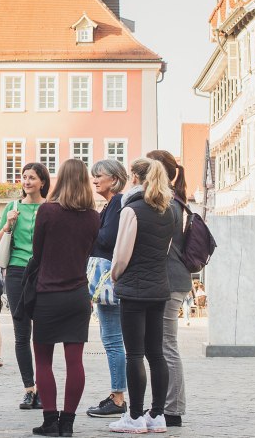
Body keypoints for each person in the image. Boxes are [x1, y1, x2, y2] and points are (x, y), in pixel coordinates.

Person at [27, 159, 100, 437]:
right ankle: (67, 423)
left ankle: (49, 420)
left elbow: (38, 251)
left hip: (48, 294)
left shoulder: (48, 211)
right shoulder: (94, 216)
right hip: (78, 295)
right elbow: (89, 250)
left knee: (43, 361)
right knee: (75, 361)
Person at [108, 158, 174, 434]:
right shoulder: (167, 210)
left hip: (134, 288)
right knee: (156, 354)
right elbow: (166, 250)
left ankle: (134, 417)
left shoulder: (132, 210)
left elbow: (122, 255)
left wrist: (113, 275)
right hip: (158, 287)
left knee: (134, 354)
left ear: (134, 177)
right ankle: (157, 414)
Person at [0, 162, 51, 410]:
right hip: (16, 271)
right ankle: (29, 389)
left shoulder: (50, 209)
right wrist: (8, 225)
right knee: (21, 333)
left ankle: (46, 388)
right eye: (24, 177)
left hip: (43, 271)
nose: (27, 182)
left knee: (45, 333)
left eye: (32, 178)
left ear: (43, 182)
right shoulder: (12, 207)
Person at [147, 149, 192, 428]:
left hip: (170, 280)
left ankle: (172, 408)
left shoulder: (169, 203)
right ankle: (167, 405)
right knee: (163, 345)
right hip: (173, 279)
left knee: (167, 345)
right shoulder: (175, 200)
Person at [86, 159, 129, 419]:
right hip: (108, 280)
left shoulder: (116, 204)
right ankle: (117, 394)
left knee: (113, 341)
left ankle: (118, 397)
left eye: (99, 175)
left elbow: (106, 239)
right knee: (112, 339)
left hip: (108, 281)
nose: (94, 180)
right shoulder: (111, 205)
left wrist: (89, 228)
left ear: (114, 179)